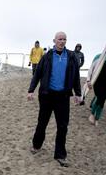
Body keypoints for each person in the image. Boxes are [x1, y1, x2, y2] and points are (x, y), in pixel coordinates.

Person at [27, 32, 81, 167]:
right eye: (59, 39)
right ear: (54, 40)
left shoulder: (71, 56)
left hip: (63, 96)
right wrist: (31, 90)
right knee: (42, 122)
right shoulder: (47, 56)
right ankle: (36, 145)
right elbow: (37, 74)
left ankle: (60, 155)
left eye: (64, 39)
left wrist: (78, 93)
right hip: (46, 95)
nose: (62, 42)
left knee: (62, 126)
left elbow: (76, 76)